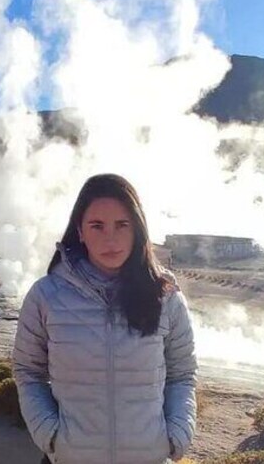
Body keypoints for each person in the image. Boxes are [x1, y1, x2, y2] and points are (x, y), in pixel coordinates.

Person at [13, 173, 197, 464]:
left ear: (138, 229)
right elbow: (28, 372)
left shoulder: (166, 296)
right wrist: (50, 436)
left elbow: (182, 374)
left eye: (122, 225)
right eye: (96, 226)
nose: (110, 238)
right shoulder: (45, 296)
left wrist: (176, 434)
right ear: (80, 231)